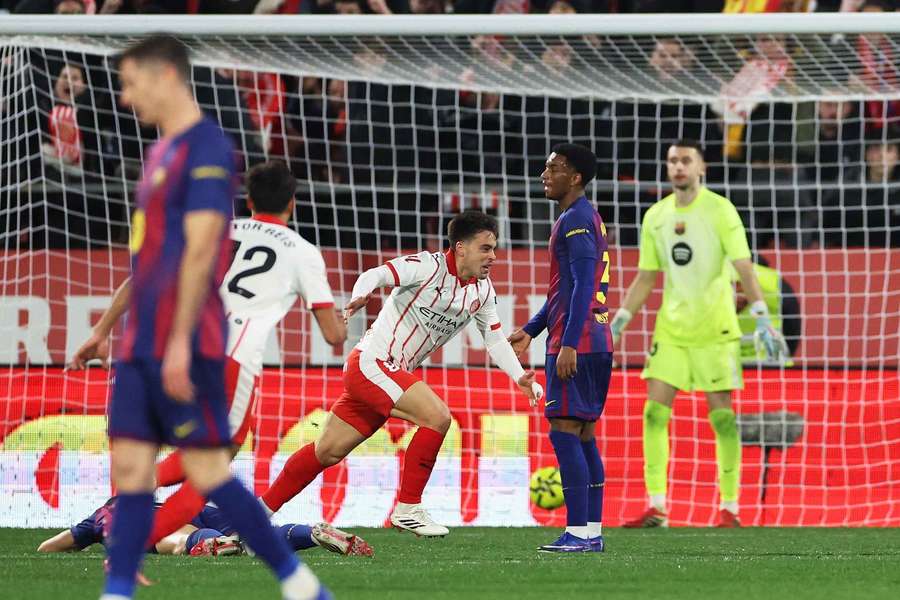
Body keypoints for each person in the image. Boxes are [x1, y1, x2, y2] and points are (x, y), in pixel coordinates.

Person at [89, 35, 328, 600]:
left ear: (167, 75)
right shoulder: (160, 151)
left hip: (188, 338)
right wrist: (103, 328)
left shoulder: (206, 150)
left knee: (209, 472)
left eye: (131, 83)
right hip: (141, 338)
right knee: (131, 471)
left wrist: (178, 341)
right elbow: (150, 259)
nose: (125, 98)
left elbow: (200, 253)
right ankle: (117, 591)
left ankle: (299, 583)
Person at [68, 159, 346, 551]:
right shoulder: (303, 252)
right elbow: (333, 335)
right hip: (229, 357)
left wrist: (100, 331)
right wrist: (344, 322)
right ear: (292, 203)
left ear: (249, 201)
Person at [259, 210, 543, 537]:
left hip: (385, 374)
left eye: (494, 248)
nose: (493, 256)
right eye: (486, 248)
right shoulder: (426, 266)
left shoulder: (482, 291)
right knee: (437, 417)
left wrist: (519, 377)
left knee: (327, 451)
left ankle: (255, 514)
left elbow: (494, 340)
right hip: (372, 363)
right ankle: (408, 507)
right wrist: (360, 295)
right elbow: (375, 274)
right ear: (461, 247)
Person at [611, 139, 787, 529]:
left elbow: (744, 267)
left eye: (686, 160)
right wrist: (619, 322)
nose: (678, 166)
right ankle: (657, 507)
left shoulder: (721, 210)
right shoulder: (655, 216)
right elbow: (646, 277)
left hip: (715, 330)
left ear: (701, 167)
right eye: (673, 160)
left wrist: (762, 316)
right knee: (653, 413)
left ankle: (730, 508)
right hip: (672, 330)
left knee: (722, 419)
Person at [508, 144, 612, 553]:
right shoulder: (582, 217)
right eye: (546, 166)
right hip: (593, 338)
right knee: (583, 434)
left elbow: (584, 285)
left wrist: (567, 344)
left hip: (577, 342)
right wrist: (532, 330)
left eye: (555, 168)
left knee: (565, 431)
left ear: (576, 178)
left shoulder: (576, 221)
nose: (545, 174)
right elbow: (565, 290)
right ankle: (591, 533)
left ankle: (578, 533)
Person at [37, 497, 373, 558]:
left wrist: (85, 541)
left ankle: (213, 544)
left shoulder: (102, 517)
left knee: (172, 541)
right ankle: (308, 532)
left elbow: (50, 546)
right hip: (200, 510)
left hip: (174, 524)